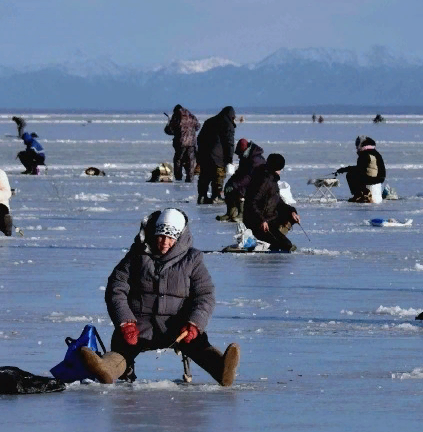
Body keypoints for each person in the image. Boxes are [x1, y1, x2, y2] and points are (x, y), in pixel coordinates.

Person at [79, 208, 240, 386]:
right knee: (122, 348)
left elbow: (205, 294)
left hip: (178, 326)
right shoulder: (137, 255)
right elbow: (116, 288)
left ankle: (221, 368)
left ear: (178, 238)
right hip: (139, 325)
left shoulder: (192, 259)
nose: (164, 242)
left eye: (170, 238)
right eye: (161, 236)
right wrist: (125, 322)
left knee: (198, 345)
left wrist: (194, 323)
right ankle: (106, 368)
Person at [242, 154, 300, 251]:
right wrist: (262, 220)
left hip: (269, 218)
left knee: (290, 216)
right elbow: (251, 202)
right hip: (257, 222)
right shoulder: (264, 180)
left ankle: (276, 237)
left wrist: (292, 211)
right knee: (286, 245)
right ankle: (270, 240)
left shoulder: (272, 180)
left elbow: (277, 202)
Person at [216, 139, 265, 222]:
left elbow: (249, 176)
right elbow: (240, 172)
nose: (238, 156)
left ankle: (242, 214)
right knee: (230, 187)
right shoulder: (246, 156)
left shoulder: (255, 159)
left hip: (259, 183)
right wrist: (230, 182)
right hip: (249, 180)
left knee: (240, 189)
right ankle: (231, 213)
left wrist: (235, 185)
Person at [196, 106, 236, 203]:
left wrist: (201, 152)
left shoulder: (209, 121)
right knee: (218, 175)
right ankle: (216, 196)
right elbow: (229, 143)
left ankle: (202, 196)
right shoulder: (228, 124)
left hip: (204, 154)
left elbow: (199, 138)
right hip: (218, 156)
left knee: (204, 175)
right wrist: (229, 158)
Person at [336, 135, 386, 202]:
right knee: (357, 174)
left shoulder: (365, 154)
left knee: (350, 175)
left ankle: (360, 194)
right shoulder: (374, 152)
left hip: (374, 178)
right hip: (379, 177)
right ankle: (362, 193)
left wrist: (344, 169)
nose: (356, 146)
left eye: (357, 144)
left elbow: (359, 169)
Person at [163, 104, 199, 182]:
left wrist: (168, 126)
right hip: (191, 143)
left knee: (178, 160)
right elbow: (197, 127)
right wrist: (189, 131)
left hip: (180, 143)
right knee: (190, 160)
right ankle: (190, 178)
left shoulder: (176, 117)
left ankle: (178, 177)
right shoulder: (191, 116)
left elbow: (169, 130)